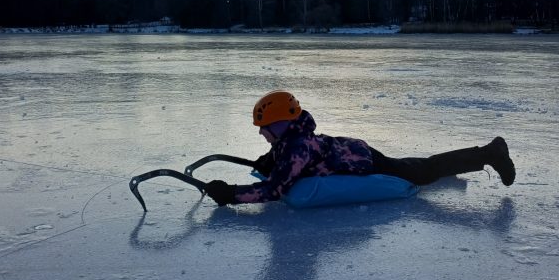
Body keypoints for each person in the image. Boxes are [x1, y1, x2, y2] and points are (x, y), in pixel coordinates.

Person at [204, 90, 516, 207]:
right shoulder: (291, 140)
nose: (261, 132)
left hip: (362, 162)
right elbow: (279, 158)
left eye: (266, 127)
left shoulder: (297, 148)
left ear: (282, 126)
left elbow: (273, 191)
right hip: (352, 150)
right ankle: (471, 160)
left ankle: (490, 153)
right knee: (415, 164)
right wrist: (266, 160)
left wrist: (230, 195)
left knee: (422, 172)